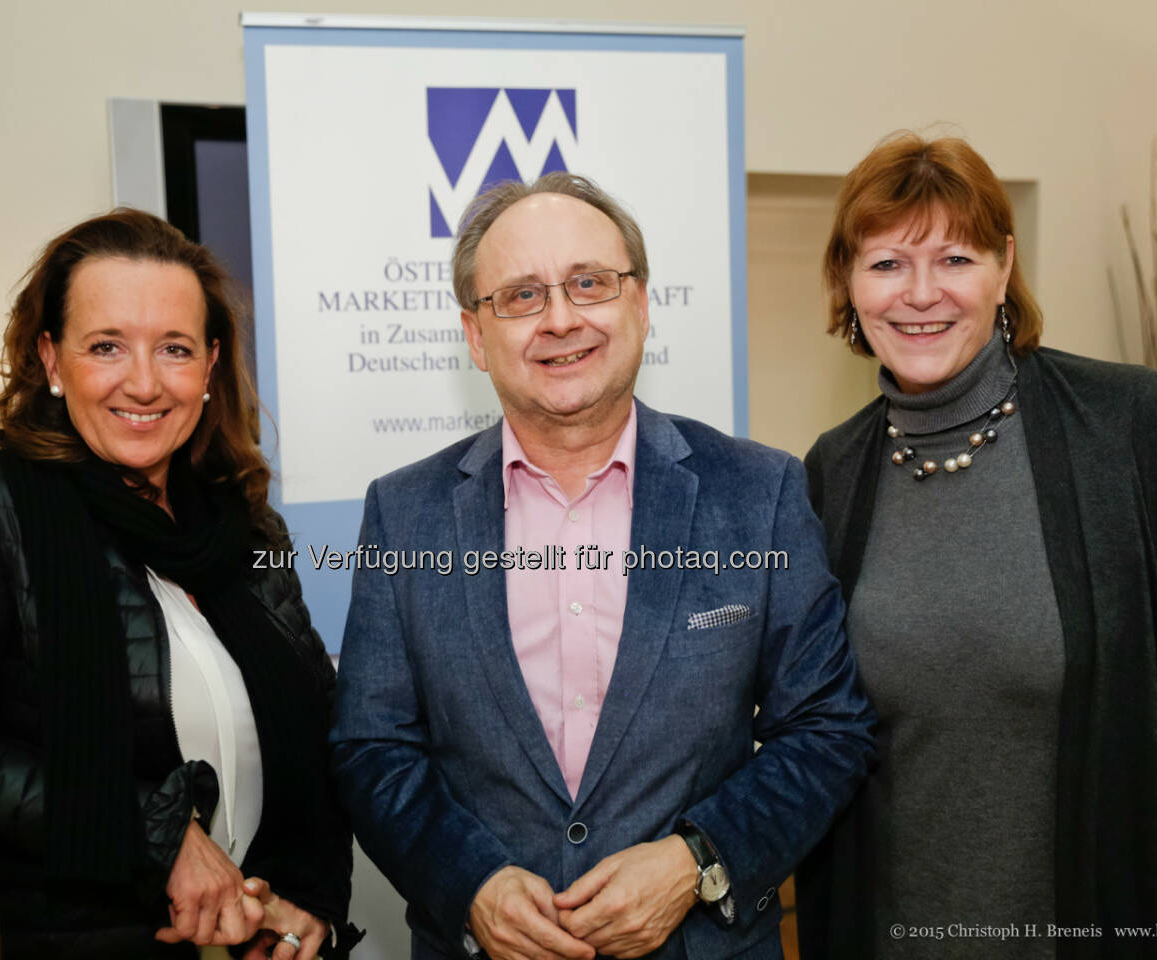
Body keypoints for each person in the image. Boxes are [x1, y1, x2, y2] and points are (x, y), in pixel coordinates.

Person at [331, 172, 877, 960]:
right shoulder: (404, 511)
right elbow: (370, 748)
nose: (560, 319)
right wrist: (471, 881)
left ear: (641, 304)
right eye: (520, 296)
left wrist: (699, 860)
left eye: (589, 283)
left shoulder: (759, 493)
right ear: (476, 336)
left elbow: (829, 728)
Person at [796, 133, 1157, 959]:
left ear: (1005, 267)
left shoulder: (1133, 430)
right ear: (848, 282)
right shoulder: (833, 471)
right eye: (888, 264)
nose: (921, 294)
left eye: (956, 260)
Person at [0, 209, 360, 960]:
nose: (145, 382)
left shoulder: (248, 527)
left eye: (175, 349)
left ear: (211, 365)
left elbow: (315, 727)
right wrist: (160, 836)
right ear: (52, 361)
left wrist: (310, 909)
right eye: (106, 347)